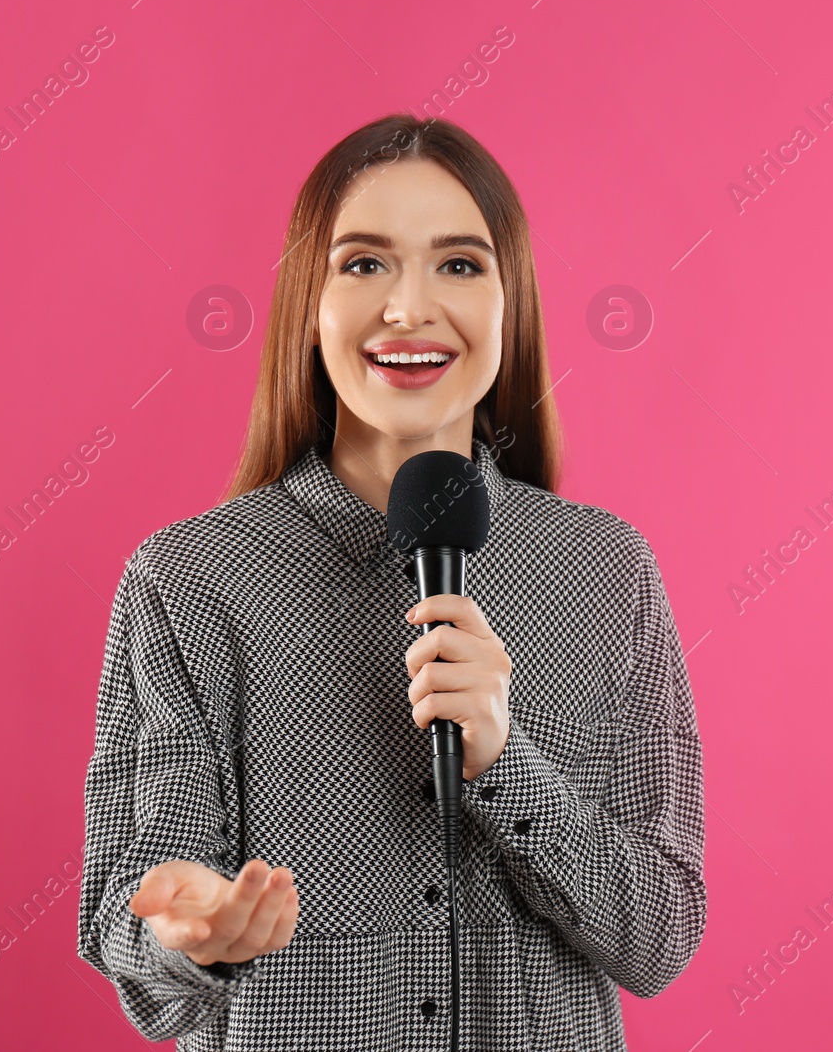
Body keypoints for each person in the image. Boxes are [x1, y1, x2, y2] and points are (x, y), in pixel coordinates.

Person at [77, 113, 706, 1050]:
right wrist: (189, 934)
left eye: (458, 264)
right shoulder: (188, 580)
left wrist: (507, 757)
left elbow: (659, 938)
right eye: (364, 263)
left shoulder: (605, 571)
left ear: (510, 304)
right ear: (310, 304)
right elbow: (135, 949)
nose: (408, 308)